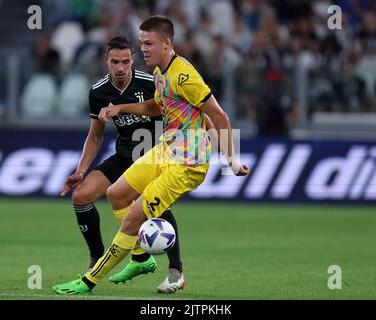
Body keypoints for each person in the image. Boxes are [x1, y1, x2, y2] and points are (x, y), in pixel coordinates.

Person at [53, 15, 249, 295]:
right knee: (116, 194)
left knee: (133, 217)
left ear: (166, 43)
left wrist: (231, 158)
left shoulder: (184, 75)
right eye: (142, 43)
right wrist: (121, 109)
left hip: (187, 162)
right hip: (165, 149)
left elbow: (218, 115)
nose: (142, 49)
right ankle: (142, 258)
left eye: (148, 43)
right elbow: (155, 107)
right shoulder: (160, 72)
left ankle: (89, 281)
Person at [59, 36, 185, 293]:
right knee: (81, 196)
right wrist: (81, 170)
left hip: (155, 155)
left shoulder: (151, 83)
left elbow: (167, 110)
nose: (120, 67)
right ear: (106, 60)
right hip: (125, 155)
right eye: (114, 61)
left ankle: (175, 270)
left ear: (133, 60)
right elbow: (94, 136)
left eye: (125, 61)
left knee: (155, 205)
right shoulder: (99, 92)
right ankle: (104, 257)